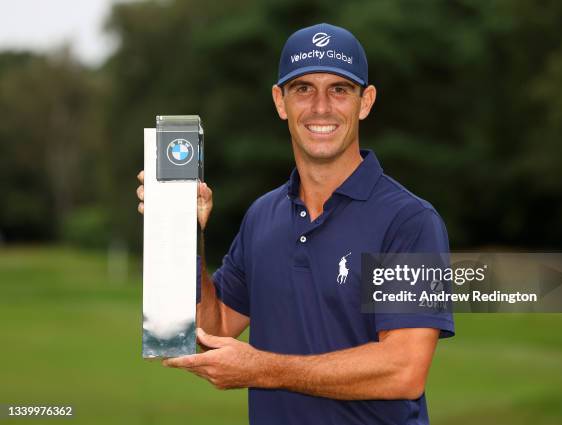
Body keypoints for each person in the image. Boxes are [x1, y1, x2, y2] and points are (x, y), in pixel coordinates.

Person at [136, 23, 454, 425]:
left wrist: (261, 369)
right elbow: (210, 328)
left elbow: (403, 370)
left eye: (339, 89)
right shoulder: (262, 216)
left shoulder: (408, 220)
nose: (321, 106)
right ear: (280, 101)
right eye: (303, 88)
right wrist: (182, 232)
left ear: (365, 101)